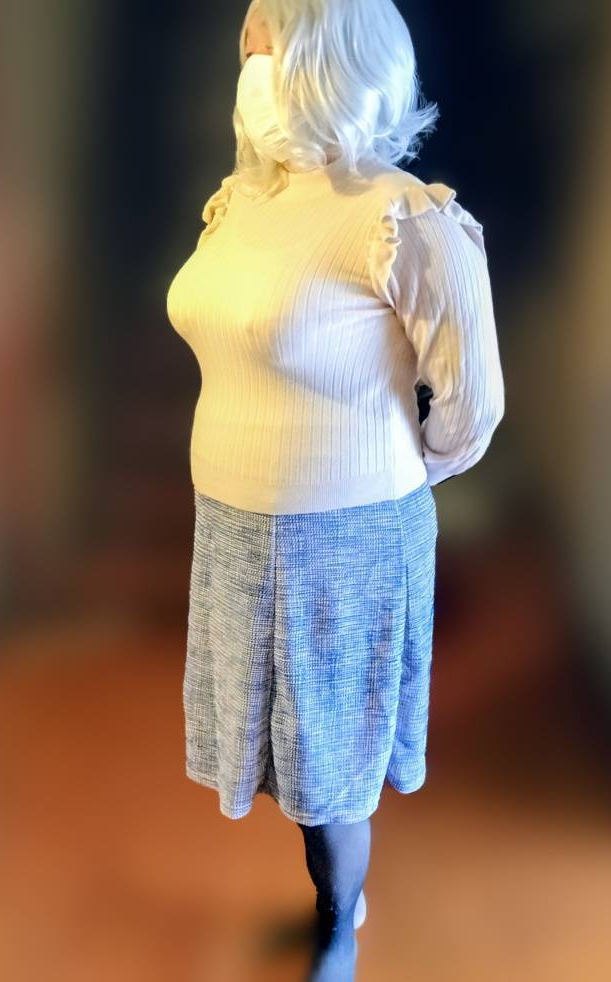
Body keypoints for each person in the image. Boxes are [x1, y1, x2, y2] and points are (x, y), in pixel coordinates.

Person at [165, 1, 505, 978]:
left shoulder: (401, 217)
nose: (251, 64)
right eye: (248, 48)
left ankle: (338, 922)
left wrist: (388, 474)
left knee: (331, 770)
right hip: (231, 527)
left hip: (345, 539)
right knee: (285, 753)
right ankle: (336, 898)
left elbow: (471, 404)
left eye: (271, 46)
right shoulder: (243, 205)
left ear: (332, 60)